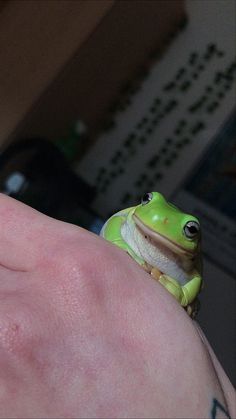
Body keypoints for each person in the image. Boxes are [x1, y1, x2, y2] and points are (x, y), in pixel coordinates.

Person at [0, 193, 235, 419]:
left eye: (190, 230)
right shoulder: (132, 218)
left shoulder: (190, 266)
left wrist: (179, 296)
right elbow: (116, 224)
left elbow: (193, 284)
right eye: (146, 200)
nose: (158, 219)